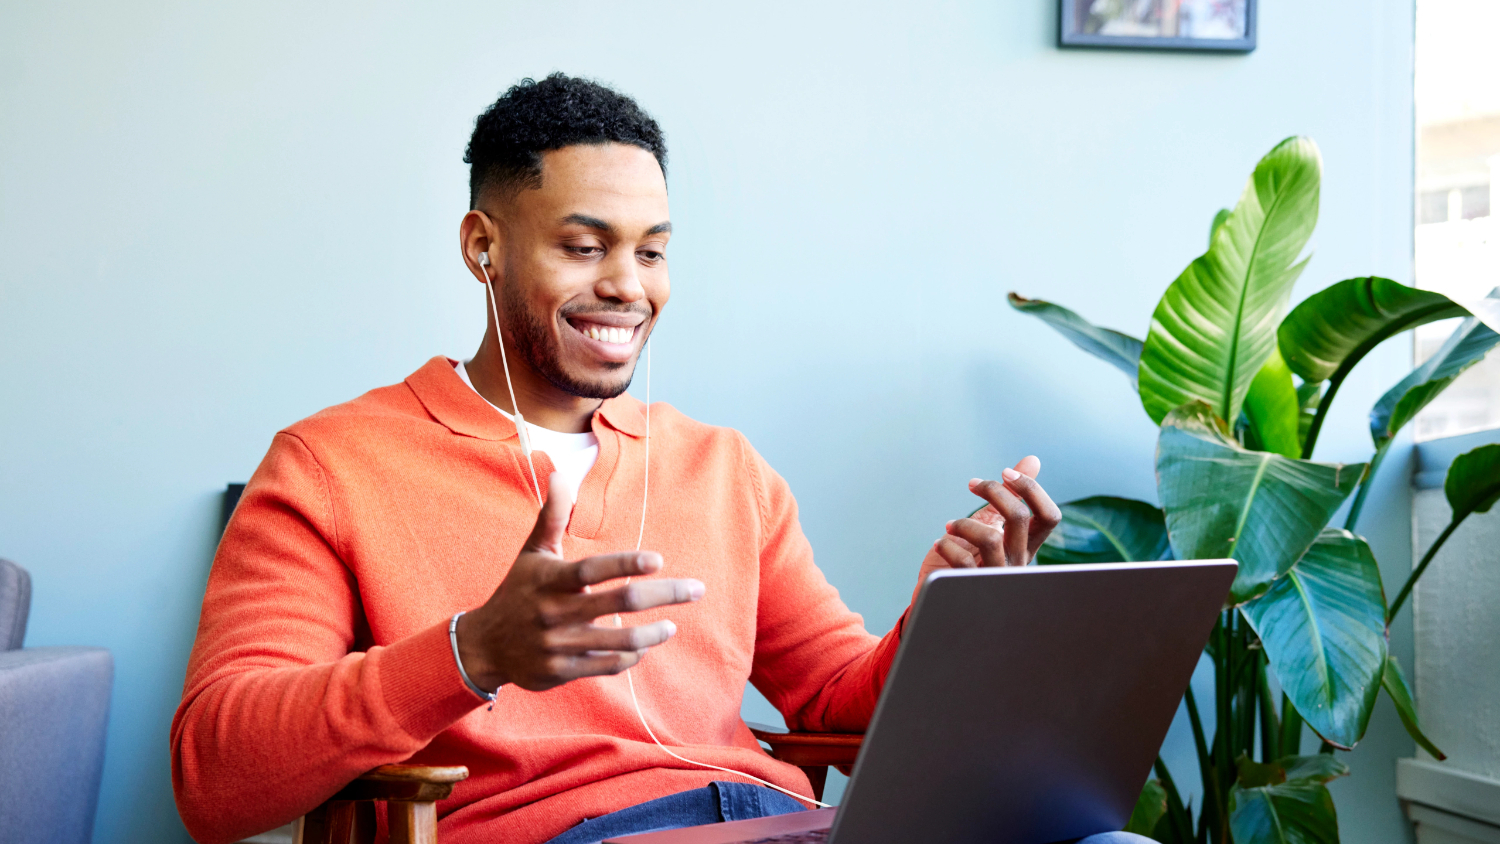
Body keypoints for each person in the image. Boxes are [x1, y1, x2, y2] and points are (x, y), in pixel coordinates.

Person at [170, 73, 1149, 844]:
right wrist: (474, 653)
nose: (626, 286)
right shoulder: (331, 466)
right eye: (585, 245)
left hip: (780, 823)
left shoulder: (720, 467)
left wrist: (947, 619)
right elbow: (215, 780)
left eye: (651, 251)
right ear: (484, 246)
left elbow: (836, 704)